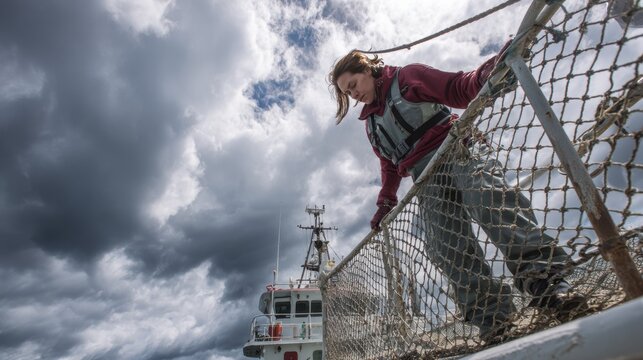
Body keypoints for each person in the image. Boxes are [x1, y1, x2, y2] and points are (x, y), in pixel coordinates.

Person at [327, 46, 587, 342]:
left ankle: (548, 285)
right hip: (425, 178)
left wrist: (486, 75)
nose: (353, 94)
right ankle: (493, 319)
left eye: (353, 85)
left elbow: (457, 88)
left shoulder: (408, 77)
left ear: (368, 71)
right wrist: (385, 202)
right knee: (445, 246)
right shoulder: (371, 124)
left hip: (456, 148)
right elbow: (388, 164)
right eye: (347, 93)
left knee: (489, 200)